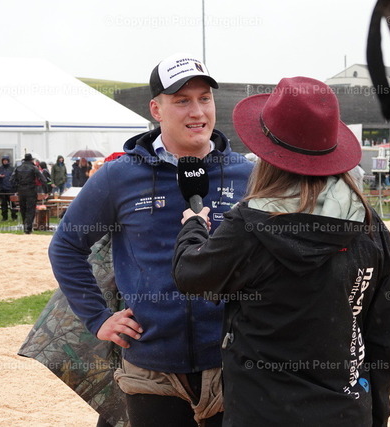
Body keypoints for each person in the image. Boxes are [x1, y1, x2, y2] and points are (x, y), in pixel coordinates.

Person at [172, 76, 390, 427]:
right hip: (345, 412)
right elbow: (386, 336)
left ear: (267, 154)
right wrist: (375, 414)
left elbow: (191, 276)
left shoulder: (249, 227)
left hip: (263, 413)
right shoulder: (369, 226)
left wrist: (193, 226)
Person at [48, 53, 253, 426]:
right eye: (182, 101)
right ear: (156, 109)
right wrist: (98, 318)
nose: (197, 112)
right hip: (151, 370)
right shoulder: (119, 175)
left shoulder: (247, 175)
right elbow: (65, 247)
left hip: (231, 365)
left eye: (204, 99)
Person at [11, 153, 46, 234]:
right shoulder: (34, 168)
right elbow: (43, 179)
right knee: (30, 209)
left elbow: (12, 179)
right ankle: (28, 227)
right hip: (31, 190)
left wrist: (17, 187)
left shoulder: (18, 168)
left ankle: (25, 226)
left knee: (23, 209)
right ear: (31, 160)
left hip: (21, 190)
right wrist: (45, 189)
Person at [0, 155, 18, 221]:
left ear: (8, 161)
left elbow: (16, 178)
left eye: (6, 160)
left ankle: (14, 216)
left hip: (10, 189)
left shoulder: (12, 169)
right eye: (4, 160)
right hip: (2, 189)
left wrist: (15, 188)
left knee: (12, 204)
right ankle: (4, 217)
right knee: (3, 204)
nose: (5, 162)